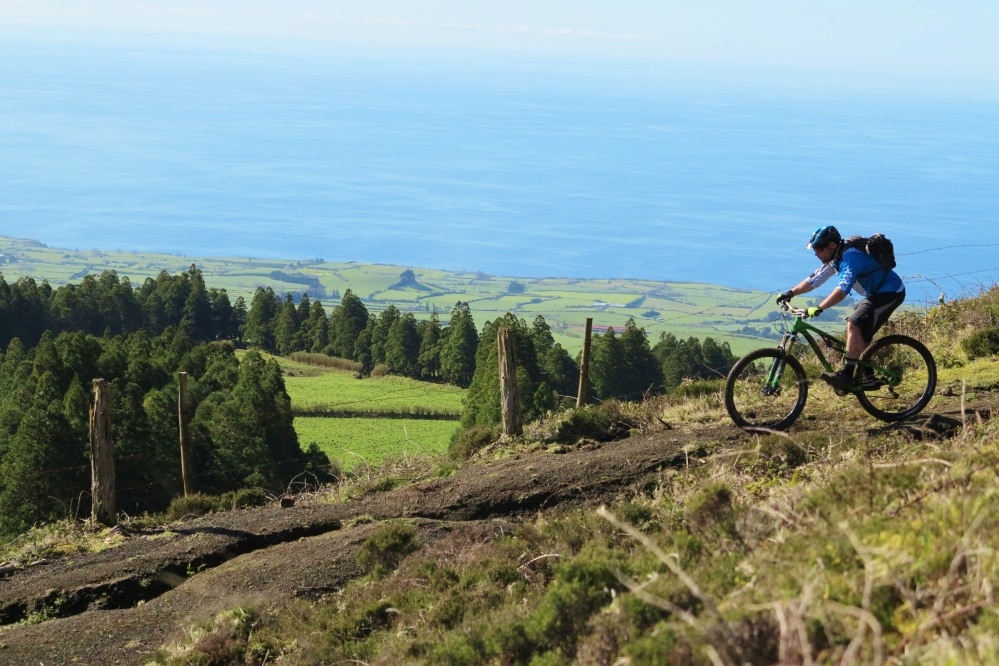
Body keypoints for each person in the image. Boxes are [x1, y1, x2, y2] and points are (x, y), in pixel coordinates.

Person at [775, 225, 905, 392]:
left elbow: (842, 290)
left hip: (890, 292)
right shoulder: (836, 259)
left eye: (819, 248)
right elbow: (814, 280)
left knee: (854, 324)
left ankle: (847, 375)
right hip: (875, 293)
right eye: (815, 249)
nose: (816, 253)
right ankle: (869, 378)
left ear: (832, 246)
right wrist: (790, 293)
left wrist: (819, 307)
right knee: (858, 334)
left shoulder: (850, 258)